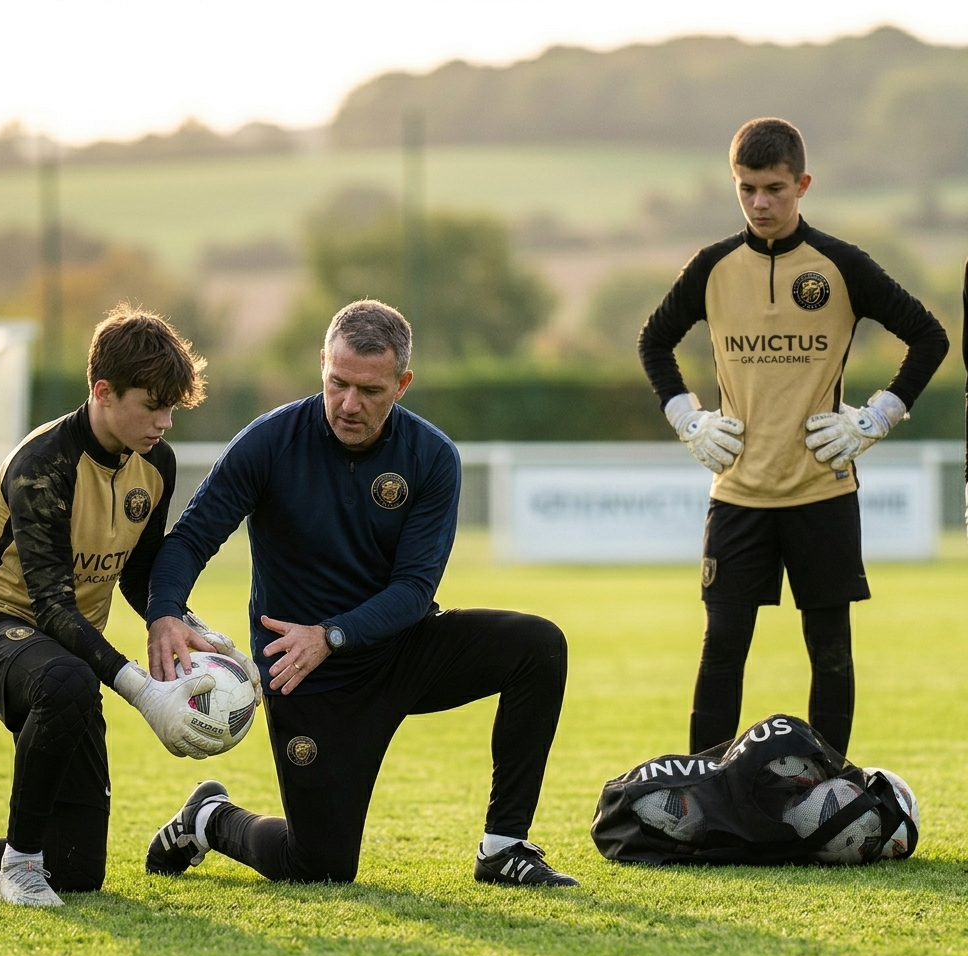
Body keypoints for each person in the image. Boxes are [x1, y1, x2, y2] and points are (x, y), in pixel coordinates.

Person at [144, 299, 576, 887]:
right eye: (338, 383)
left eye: (370, 390)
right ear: (322, 364)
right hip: (305, 673)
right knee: (319, 866)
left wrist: (332, 634)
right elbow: (191, 538)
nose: (349, 404)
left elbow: (414, 588)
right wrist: (165, 613)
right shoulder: (270, 442)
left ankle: (504, 848)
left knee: (538, 646)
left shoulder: (431, 457)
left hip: (399, 651)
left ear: (402, 384)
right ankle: (209, 818)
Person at [638, 118, 949, 758]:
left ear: (802, 185)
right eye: (746, 188)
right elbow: (654, 341)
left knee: (830, 650)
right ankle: (704, 792)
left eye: (774, 188)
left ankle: (828, 793)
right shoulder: (713, 267)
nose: (760, 203)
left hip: (822, 491)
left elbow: (930, 337)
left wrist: (878, 416)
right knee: (722, 648)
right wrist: (688, 418)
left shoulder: (841, 265)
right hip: (739, 494)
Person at [0, 305, 245, 907]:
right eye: (151, 405)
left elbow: (138, 573)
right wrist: (143, 691)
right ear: (103, 392)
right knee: (69, 680)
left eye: (171, 408)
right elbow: (52, 607)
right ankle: (19, 866)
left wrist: (183, 625)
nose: (164, 422)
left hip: (66, 649)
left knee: (76, 867)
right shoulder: (42, 465)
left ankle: (26, 860)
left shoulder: (155, 463)